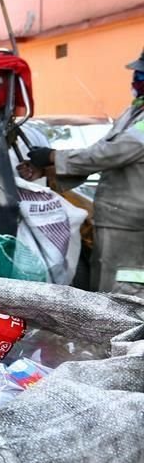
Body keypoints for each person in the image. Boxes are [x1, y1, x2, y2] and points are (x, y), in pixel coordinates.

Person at [18, 47, 144, 293]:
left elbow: (112, 153)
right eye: (137, 74)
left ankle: (126, 329)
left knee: (125, 287)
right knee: (103, 282)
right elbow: (100, 151)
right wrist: (48, 171)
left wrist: (54, 156)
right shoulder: (133, 112)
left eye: (141, 75)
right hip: (113, 218)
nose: (135, 80)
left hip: (132, 222)